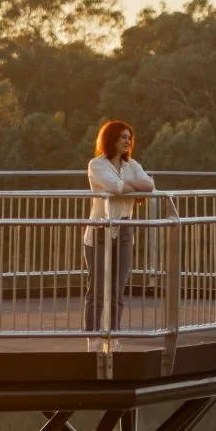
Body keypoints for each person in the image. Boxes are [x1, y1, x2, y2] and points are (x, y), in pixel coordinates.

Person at [83, 120, 155, 332]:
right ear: (111, 139)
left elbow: (150, 186)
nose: (128, 141)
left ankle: (114, 337)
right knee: (97, 290)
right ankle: (93, 338)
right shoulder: (96, 165)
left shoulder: (131, 165)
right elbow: (116, 187)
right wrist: (133, 188)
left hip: (124, 229)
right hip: (100, 230)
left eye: (129, 137)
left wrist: (127, 187)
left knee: (117, 291)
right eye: (123, 137)